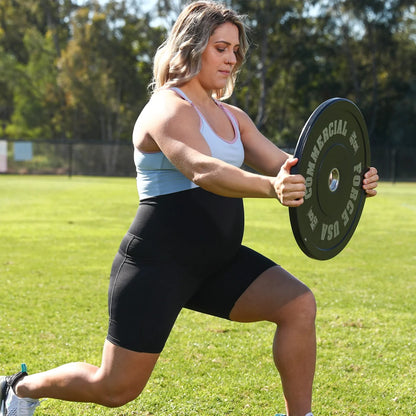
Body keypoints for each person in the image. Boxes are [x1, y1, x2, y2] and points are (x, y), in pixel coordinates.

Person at [0, 2, 379, 416]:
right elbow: (201, 169)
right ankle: (18, 389)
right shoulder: (167, 107)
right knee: (114, 388)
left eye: (235, 50)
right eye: (221, 47)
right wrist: (270, 187)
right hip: (158, 264)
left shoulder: (234, 118)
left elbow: (292, 167)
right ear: (192, 46)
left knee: (298, 304)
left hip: (218, 263)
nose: (231, 58)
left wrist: (346, 179)